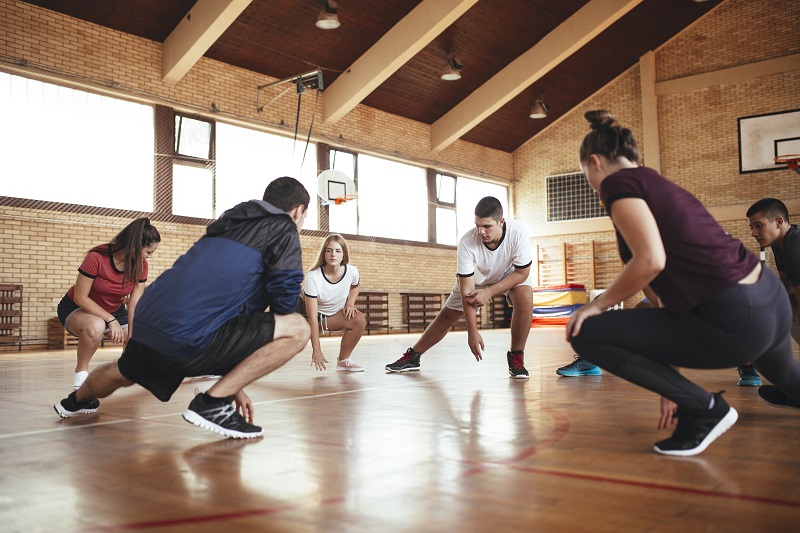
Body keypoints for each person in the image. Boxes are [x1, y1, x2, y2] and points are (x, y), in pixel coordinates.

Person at [566, 110, 800, 456]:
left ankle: (707, 411)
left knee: (584, 330)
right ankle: (704, 405)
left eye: (586, 172)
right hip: (769, 300)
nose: (590, 180)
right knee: (792, 382)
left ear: (595, 162)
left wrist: (596, 304)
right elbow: (664, 308)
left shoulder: (619, 184)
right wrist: (671, 388)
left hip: (738, 313)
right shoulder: (656, 184)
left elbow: (651, 261)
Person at [54, 177, 312, 439]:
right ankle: (212, 404)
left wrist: (234, 385)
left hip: (150, 319)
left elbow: (227, 316)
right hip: (185, 333)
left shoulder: (228, 224)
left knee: (122, 372)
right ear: (298, 211)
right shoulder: (284, 227)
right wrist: (226, 389)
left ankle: (77, 400)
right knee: (298, 328)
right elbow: (284, 304)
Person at [385, 196, 534, 378]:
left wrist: (489, 292)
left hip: (508, 273)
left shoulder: (517, 232)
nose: (481, 231)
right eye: (477, 225)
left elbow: (522, 273)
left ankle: (516, 357)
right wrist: (472, 331)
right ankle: (413, 356)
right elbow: (467, 291)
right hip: (477, 278)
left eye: (487, 226)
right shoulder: (467, 242)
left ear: (501, 222)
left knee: (525, 297)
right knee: (446, 317)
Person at [57, 218, 160, 390]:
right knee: (96, 325)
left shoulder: (141, 266)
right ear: (134, 246)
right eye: (149, 252)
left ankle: (125, 370)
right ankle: (81, 374)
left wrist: (133, 338)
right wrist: (110, 320)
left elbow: (134, 304)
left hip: (113, 310)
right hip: (77, 308)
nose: (150, 256)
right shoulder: (96, 258)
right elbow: (80, 297)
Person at [304, 234, 367, 372]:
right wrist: (317, 350)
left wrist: (350, 304)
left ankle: (343, 361)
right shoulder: (313, 277)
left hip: (332, 316)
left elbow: (356, 286)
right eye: (329, 250)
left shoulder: (351, 271)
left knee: (359, 320)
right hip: (308, 317)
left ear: (343, 255)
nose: (333, 254)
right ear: (324, 254)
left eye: (338, 251)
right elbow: (312, 317)